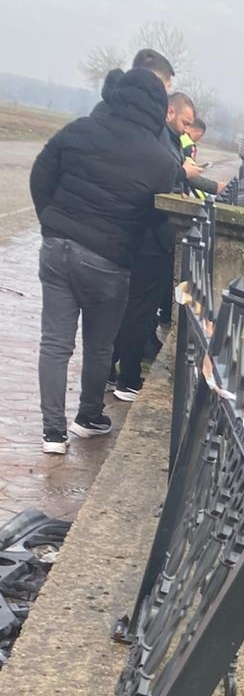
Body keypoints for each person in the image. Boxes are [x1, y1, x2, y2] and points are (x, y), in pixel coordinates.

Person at [29, 66, 179, 453]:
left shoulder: (79, 130)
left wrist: (50, 219)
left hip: (57, 248)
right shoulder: (161, 160)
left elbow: (41, 173)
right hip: (109, 261)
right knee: (99, 345)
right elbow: (159, 219)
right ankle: (88, 416)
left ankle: (52, 434)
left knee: (55, 343)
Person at [111, 91, 200, 401]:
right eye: (186, 122)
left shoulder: (168, 139)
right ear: (170, 112)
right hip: (152, 237)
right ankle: (128, 379)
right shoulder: (160, 140)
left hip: (152, 236)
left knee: (131, 308)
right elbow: (159, 179)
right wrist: (182, 174)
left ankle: (111, 371)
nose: (188, 130)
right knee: (139, 311)